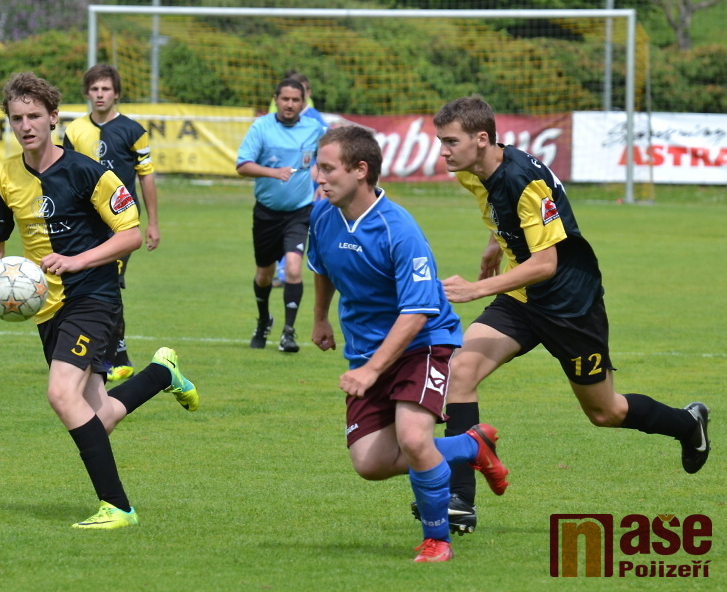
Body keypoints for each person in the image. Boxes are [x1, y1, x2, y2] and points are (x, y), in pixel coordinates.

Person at [432, 95, 711, 535]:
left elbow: (547, 264)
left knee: (605, 412)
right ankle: (459, 501)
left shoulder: (523, 179)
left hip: (569, 305)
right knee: (460, 370)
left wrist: (476, 288)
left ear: (481, 139)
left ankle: (688, 422)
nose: (443, 151)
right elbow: (502, 213)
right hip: (523, 297)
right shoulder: (474, 171)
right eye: (440, 141)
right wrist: (494, 247)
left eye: (450, 142)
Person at [0, 72, 199, 530]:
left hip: (94, 297)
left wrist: (77, 261)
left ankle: (118, 507)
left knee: (61, 394)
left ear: (53, 118)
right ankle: (162, 373)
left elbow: (130, 235)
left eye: (34, 116)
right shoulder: (1, 176)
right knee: (98, 418)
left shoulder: (89, 172)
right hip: (47, 307)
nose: (26, 125)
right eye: (16, 118)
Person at [308, 126, 509, 563]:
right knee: (370, 463)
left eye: (327, 168)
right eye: (316, 167)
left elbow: (417, 312)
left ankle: (437, 541)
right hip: (368, 351)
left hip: (423, 343)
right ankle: (471, 446)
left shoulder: (399, 230)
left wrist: (371, 371)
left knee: (414, 439)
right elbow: (321, 265)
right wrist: (321, 317)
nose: (318, 177)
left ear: (360, 170)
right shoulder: (322, 215)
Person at [63, 64, 161, 382]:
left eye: (106, 89)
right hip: (85, 223)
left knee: (109, 280)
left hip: (121, 223)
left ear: (116, 93)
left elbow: (146, 177)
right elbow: (65, 175)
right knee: (88, 285)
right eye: (94, 89)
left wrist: (153, 223)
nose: (100, 94)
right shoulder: (74, 131)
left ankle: (116, 355)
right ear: (87, 93)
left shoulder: (133, 131)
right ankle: (97, 353)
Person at [237, 78, 324, 352]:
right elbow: (242, 165)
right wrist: (273, 172)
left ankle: (288, 333)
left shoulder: (315, 129)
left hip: (299, 211)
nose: (290, 104)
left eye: (295, 100)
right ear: (276, 99)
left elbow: (332, 155)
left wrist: (322, 181)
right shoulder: (261, 127)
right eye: (285, 99)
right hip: (266, 213)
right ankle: (264, 320)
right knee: (264, 275)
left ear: (303, 103)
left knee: (294, 268)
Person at [267, 70, 329, 289]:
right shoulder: (278, 119)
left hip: (311, 189)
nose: (291, 101)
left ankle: (317, 268)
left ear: (306, 94)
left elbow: (328, 149)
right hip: (287, 187)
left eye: (298, 94)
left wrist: (318, 171)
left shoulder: (314, 119)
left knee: (309, 230)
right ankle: (283, 272)